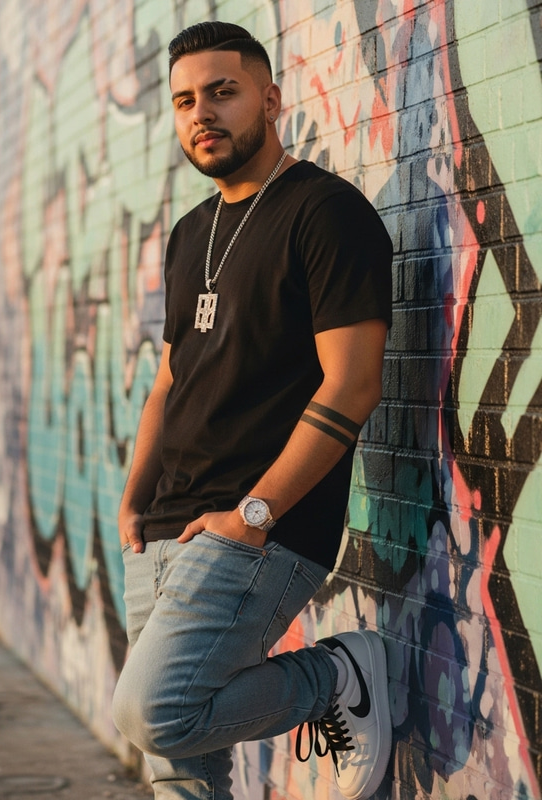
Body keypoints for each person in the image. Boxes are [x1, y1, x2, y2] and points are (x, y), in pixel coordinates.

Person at [110, 20, 394, 800]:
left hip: (258, 529)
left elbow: (352, 385)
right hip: (165, 528)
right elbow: (171, 381)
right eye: (184, 101)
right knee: (178, 771)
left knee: (155, 711)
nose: (202, 113)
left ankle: (332, 677)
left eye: (223, 93)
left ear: (269, 99)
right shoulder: (190, 233)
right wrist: (134, 502)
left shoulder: (325, 213)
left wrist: (256, 513)